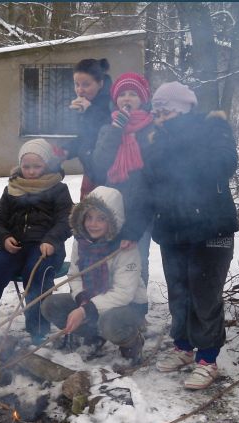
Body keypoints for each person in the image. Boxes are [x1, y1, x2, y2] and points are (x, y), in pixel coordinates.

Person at [142, 81, 239, 390]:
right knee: (179, 292)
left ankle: (207, 359)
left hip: (214, 228)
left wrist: (177, 137)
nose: (160, 115)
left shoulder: (214, 128)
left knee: (206, 295)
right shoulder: (157, 139)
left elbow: (222, 166)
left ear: (184, 109)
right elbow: (152, 181)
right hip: (173, 227)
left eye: (166, 109)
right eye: (156, 109)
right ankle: (183, 347)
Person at [0, 139, 73, 344]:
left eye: (36, 166)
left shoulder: (58, 189)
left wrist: (51, 240)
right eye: (26, 166)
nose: (30, 171)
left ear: (46, 164)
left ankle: (39, 329)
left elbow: (67, 220)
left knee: (36, 272)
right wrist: (4, 238)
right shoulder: (13, 188)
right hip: (16, 246)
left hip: (47, 247)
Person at [41, 186, 146, 366]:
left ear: (114, 220)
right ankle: (94, 336)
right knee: (51, 305)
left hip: (127, 305)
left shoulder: (126, 247)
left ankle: (131, 341)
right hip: (90, 299)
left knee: (109, 322)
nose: (92, 224)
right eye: (88, 217)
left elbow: (123, 293)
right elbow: (75, 275)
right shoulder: (81, 242)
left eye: (101, 218)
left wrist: (84, 310)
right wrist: (82, 300)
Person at [88, 71, 154, 288]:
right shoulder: (108, 128)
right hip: (112, 207)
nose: (127, 99)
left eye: (133, 94)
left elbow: (152, 171)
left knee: (137, 258)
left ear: (143, 99)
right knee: (111, 259)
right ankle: (113, 307)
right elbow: (99, 164)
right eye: (122, 94)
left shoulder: (150, 128)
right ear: (115, 100)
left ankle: (137, 311)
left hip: (142, 205)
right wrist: (117, 131)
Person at [60, 58, 113, 200]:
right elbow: (85, 138)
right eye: (76, 84)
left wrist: (89, 111)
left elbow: (103, 138)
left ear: (100, 83)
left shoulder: (112, 104)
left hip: (108, 178)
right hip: (90, 174)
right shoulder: (88, 104)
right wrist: (66, 150)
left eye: (86, 84)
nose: (79, 90)